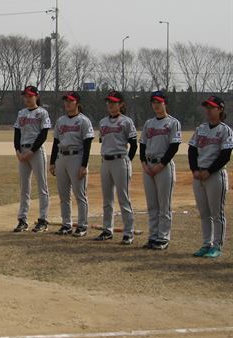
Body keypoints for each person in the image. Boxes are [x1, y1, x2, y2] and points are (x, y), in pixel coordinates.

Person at [188, 95, 232, 259]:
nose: (208, 110)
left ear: (220, 109)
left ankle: (217, 246)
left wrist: (210, 170)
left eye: (211, 107)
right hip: (199, 175)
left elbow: (225, 155)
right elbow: (192, 150)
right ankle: (206, 244)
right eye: (207, 107)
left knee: (216, 213)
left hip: (215, 175)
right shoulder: (201, 129)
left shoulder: (225, 130)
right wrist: (194, 170)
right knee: (204, 213)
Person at [94, 90, 138, 244]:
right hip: (106, 161)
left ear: (121, 104)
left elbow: (133, 145)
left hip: (121, 160)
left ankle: (128, 232)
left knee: (123, 198)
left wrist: (128, 161)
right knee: (107, 199)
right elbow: (104, 142)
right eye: (109, 102)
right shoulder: (103, 122)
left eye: (114, 102)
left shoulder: (126, 121)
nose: (111, 105)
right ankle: (107, 230)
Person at [140, 91, 182, 250]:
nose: (156, 105)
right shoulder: (148, 123)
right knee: (152, 205)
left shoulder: (173, 123)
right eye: (153, 102)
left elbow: (174, 146)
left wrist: (161, 164)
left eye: (159, 102)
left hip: (164, 167)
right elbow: (142, 144)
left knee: (164, 204)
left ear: (165, 103)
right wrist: (144, 163)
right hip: (149, 165)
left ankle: (163, 237)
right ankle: (153, 236)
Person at [49, 92, 94, 237]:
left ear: (77, 103)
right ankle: (66, 224)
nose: (67, 103)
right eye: (66, 101)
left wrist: (84, 165)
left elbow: (87, 144)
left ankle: (82, 225)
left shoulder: (83, 121)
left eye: (71, 101)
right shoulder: (61, 121)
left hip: (77, 157)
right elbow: (56, 142)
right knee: (63, 195)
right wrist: (52, 162)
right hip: (62, 157)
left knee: (80, 194)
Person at [13, 86, 51, 233]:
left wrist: (31, 151)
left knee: (42, 186)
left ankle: (43, 220)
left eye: (30, 96)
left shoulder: (42, 112)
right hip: (22, 151)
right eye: (25, 96)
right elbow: (17, 132)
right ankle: (22, 220)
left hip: (36, 152)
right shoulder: (21, 113)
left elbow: (43, 134)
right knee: (24, 187)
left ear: (37, 96)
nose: (27, 99)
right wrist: (17, 150)